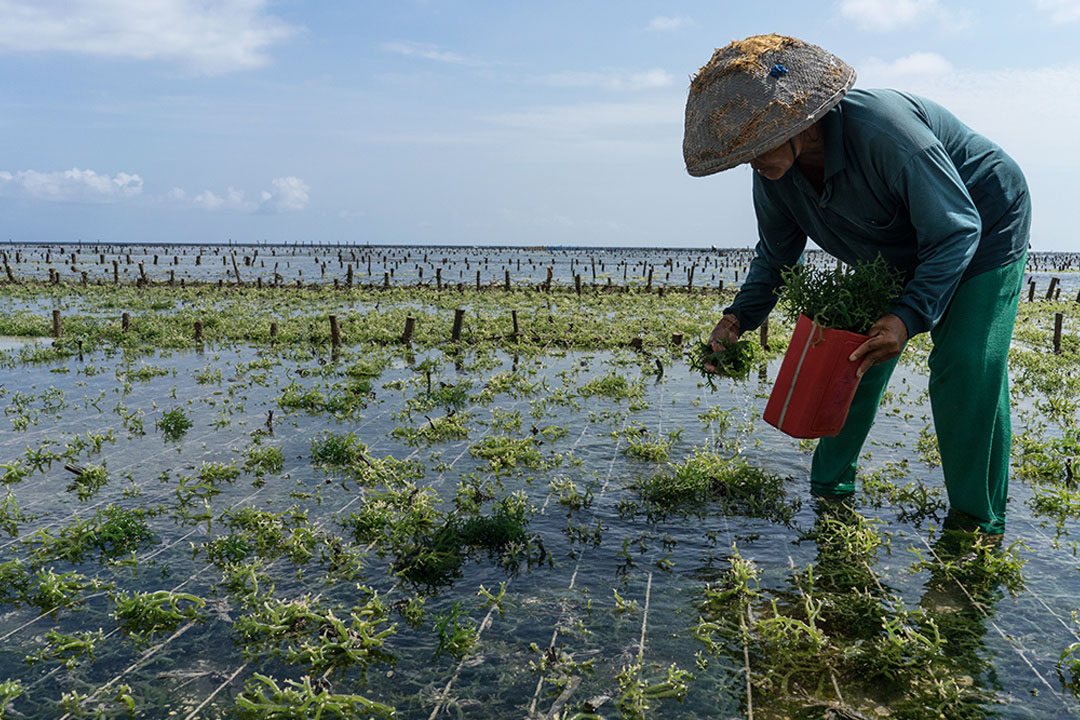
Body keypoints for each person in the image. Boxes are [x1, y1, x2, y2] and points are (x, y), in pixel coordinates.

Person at [683, 34, 1030, 534]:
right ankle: (829, 487)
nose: (750, 161)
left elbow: (955, 227)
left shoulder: (884, 132)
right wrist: (737, 319)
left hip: (981, 218)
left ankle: (976, 522)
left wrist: (907, 316)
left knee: (966, 362)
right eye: (742, 153)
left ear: (800, 122)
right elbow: (776, 256)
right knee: (853, 354)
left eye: (757, 146)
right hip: (897, 244)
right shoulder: (774, 176)